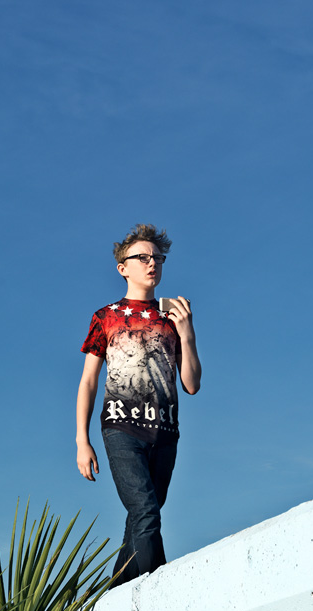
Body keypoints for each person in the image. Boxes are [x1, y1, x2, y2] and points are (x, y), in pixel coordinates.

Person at [76, 223, 202, 586]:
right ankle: (158, 592)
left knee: (141, 519)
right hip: (122, 428)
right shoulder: (106, 317)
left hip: (165, 432)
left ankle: (114, 596)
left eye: (158, 258)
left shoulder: (173, 318)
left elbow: (192, 384)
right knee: (146, 512)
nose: (152, 264)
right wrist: (82, 440)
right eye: (143, 258)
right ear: (123, 268)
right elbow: (88, 381)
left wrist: (187, 333)